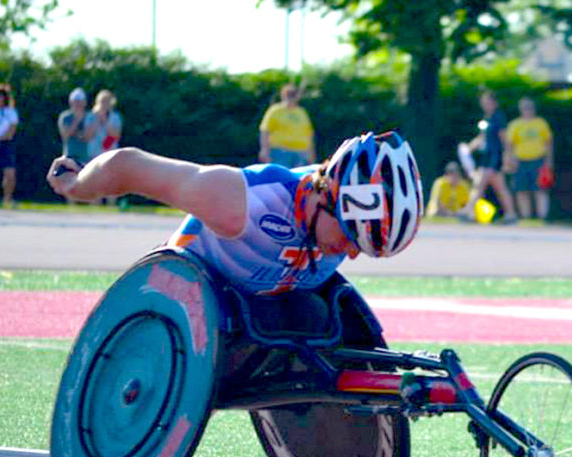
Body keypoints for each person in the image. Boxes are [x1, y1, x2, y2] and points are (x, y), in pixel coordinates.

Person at [47, 132, 422, 301]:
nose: (350, 254)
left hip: (267, 314)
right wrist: (76, 184)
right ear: (326, 194)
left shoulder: (336, 225)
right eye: (349, 237)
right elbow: (127, 165)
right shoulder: (241, 203)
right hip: (183, 300)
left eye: (365, 248)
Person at [462, 89, 517, 224]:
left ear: (494, 103)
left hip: (495, 156)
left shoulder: (498, 118)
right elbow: (482, 137)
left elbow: (505, 139)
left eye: (487, 102)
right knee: (499, 187)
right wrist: (469, 148)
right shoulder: (487, 118)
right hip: (487, 156)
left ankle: (468, 210)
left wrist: (507, 157)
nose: (485, 105)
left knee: (480, 183)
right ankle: (511, 214)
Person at [505, 96, 554, 221]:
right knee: (521, 190)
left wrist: (549, 161)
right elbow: (510, 145)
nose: (527, 110)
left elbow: (548, 143)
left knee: (540, 190)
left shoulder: (541, 123)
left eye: (529, 107)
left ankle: (541, 217)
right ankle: (526, 217)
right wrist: (509, 160)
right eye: (524, 107)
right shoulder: (515, 124)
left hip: (538, 160)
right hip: (520, 160)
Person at [258, 84, 316, 168]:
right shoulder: (275, 111)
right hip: (280, 152)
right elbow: (265, 130)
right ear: (283, 95)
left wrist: (311, 153)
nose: (291, 97)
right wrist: (264, 150)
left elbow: (309, 134)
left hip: (300, 152)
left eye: (293, 94)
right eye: (289, 94)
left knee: (298, 179)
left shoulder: (302, 112)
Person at [58, 88, 94, 166]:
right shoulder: (65, 117)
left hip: (86, 158)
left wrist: (77, 134)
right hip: (69, 156)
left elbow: (88, 137)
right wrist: (77, 120)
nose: (78, 105)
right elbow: (65, 135)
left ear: (84, 102)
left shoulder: (90, 117)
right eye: (76, 102)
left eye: (80, 102)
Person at [89, 89, 123, 160]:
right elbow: (88, 135)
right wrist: (97, 118)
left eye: (107, 101)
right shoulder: (91, 116)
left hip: (110, 153)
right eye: (102, 101)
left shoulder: (115, 117)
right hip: (94, 154)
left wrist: (105, 120)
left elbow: (116, 135)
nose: (105, 104)